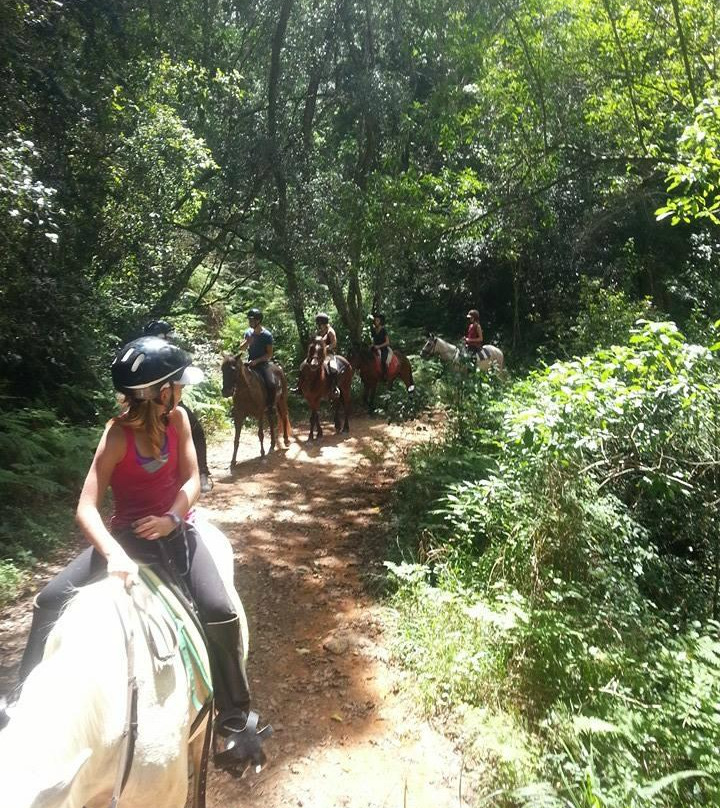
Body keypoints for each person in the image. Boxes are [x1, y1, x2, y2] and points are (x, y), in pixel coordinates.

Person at [0, 337, 262, 768]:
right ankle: (22, 703)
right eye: (176, 384)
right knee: (48, 601)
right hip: (123, 539)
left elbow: (192, 480)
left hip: (176, 534)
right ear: (161, 392)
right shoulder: (116, 435)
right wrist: (113, 553)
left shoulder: (178, 420)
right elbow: (86, 506)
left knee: (220, 609)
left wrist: (172, 519)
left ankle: (235, 720)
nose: (181, 391)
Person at [143, 320, 213, 493]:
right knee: (196, 430)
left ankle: (201, 471)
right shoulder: (152, 354)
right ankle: (200, 473)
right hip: (158, 400)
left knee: (195, 429)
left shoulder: (151, 352)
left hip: (166, 398)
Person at [236, 308, 276, 414]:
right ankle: (237, 406)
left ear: (258, 321)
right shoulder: (248, 332)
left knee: (271, 383)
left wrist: (257, 361)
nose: (250, 322)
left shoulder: (267, 335)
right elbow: (241, 348)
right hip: (249, 363)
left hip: (262, 364)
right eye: (249, 320)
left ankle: (270, 406)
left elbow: (269, 354)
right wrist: (247, 342)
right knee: (236, 378)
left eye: (252, 320)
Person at [370, 313, 390, 379]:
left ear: (380, 321)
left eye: (377, 320)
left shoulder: (383, 330)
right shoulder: (373, 330)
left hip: (383, 349)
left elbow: (387, 342)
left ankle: (385, 376)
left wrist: (379, 346)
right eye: (375, 320)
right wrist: (372, 345)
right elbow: (373, 341)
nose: (376, 322)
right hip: (375, 348)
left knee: (383, 360)